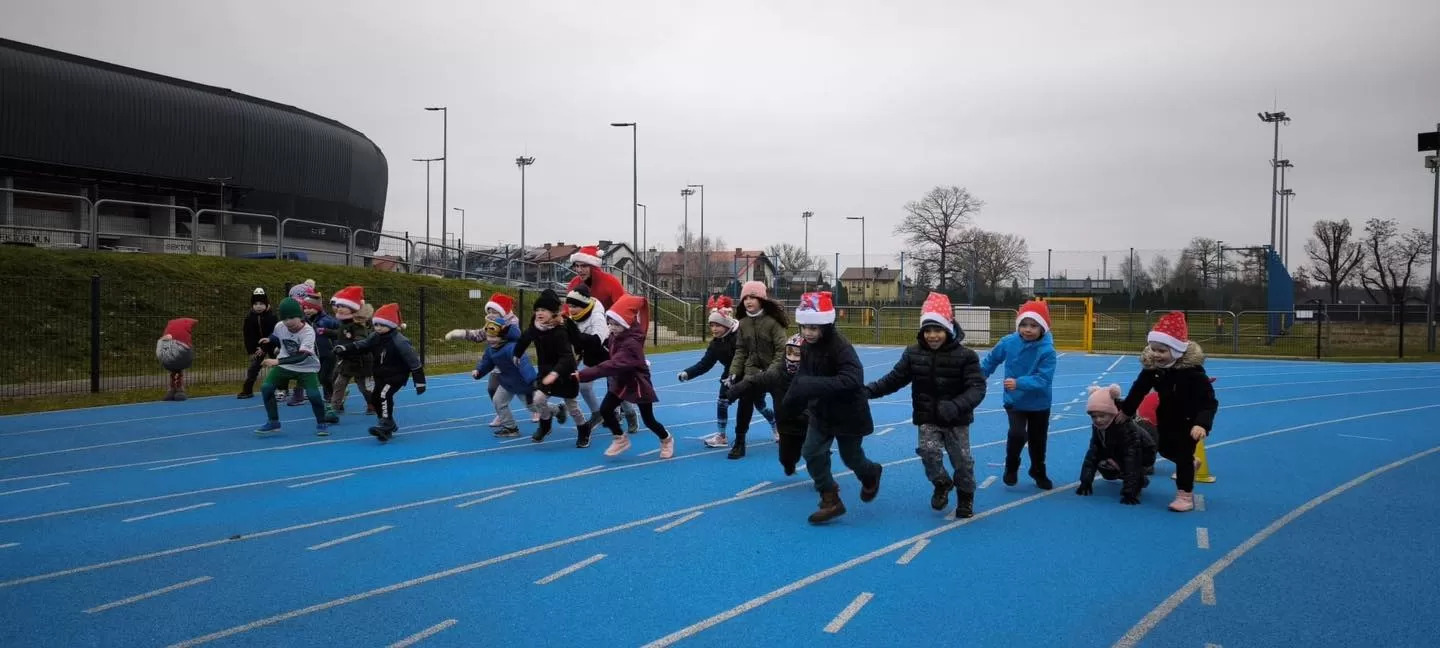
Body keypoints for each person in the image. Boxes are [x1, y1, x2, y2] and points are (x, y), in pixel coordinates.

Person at [864, 293, 987, 518]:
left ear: (948, 330)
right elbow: (895, 379)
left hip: (956, 419)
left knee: (962, 461)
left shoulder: (966, 356)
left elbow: (977, 388)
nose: (932, 336)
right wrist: (869, 391)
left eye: (938, 330)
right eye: (928, 331)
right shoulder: (913, 354)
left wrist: (957, 405)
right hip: (927, 417)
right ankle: (941, 483)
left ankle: (966, 496)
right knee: (928, 453)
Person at [783, 291, 882, 524]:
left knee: (852, 458)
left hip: (849, 413)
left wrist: (812, 385)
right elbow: (802, 379)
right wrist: (789, 404)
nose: (808, 333)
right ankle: (830, 497)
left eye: (814, 328)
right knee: (811, 452)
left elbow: (853, 379)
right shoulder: (806, 346)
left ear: (826, 326)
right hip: (821, 412)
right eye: (805, 327)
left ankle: (871, 473)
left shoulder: (841, 347)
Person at [1119, 311, 1219, 512]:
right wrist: (1126, 411)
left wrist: (1202, 424)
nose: (1156, 355)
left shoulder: (1193, 374)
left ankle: (1185, 495)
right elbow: (1139, 389)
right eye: (1153, 349)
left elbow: (1209, 402)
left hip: (1189, 421)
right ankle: (1192, 462)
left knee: (1182, 456)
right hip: (1166, 418)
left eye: (1162, 351)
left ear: (1177, 350)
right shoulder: (1154, 369)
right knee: (1163, 449)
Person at [577, 295, 676, 458]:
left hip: (638, 383)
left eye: (616, 324)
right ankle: (620, 438)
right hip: (621, 381)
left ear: (627, 323)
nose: (612, 327)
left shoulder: (631, 344)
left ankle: (666, 439)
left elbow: (612, 364)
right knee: (606, 410)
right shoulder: (616, 336)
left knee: (649, 420)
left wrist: (583, 374)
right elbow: (606, 353)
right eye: (609, 323)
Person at [980, 300, 1057, 489]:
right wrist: (978, 376)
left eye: (1033, 325)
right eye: (1023, 324)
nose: (1027, 329)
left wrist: (1019, 382)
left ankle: (1038, 470)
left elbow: (1043, 379)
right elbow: (991, 360)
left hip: (1039, 403)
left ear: (1043, 328)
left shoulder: (1048, 351)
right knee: (1017, 433)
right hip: (1015, 401)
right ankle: (1011, 466)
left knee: (1038, 440)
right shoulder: (1009, 342)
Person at [334, 303, 427, 443]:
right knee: (375, 397)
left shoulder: (400, 342)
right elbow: (363, 345)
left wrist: (420, 383)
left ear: (391, 325)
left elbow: (414, 362)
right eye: (376, 325)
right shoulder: (375, 337)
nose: (378, 328)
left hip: (397, 375)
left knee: (384, 395)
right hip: (380, 374)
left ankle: (386, 423)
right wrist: (345, 348)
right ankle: (386, 422)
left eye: (381, 325)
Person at [726, 333, 810, 476]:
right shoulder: (776, 374)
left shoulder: (817, 375)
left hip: (811, 424)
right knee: (786, 458)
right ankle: (790, 465)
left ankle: (826, 487)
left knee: (815, 455)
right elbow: (754, 381)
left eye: (798, 354)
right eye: (790, 353)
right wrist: (734, 391)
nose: (793, 358)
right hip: (786, 425)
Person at [513, 289, 590, 443]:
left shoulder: (560, 330)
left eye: (544, 310)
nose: (539, 313)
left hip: (564, 374)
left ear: (554, 312)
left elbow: (567, 356)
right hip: (545, 371)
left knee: (573, 408)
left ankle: (583, 429)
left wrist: (556, 373)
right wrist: (517, 353)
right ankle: (545, 425)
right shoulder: (536, 326)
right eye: (537, 310)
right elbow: (525, 338)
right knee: (538, 399)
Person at [724, 281, 786, 459]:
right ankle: (740, 442)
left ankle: (788, 439)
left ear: (762, 299)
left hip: (774, 372)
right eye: (745, 298)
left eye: (753, 297)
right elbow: (741, 350)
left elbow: (782, 351)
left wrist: (771, 372)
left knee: (782, 406)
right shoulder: (743, 323)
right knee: (744, 404)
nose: (748, 301)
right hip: (752, 372)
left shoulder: (774, 323)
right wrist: (733, 373)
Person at [255, 298, 332, 436]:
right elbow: (276, 335)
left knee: (314, 395)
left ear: (300, 316)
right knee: (266, 388)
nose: (288, 322)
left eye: (291, 318)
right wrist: (270, 339)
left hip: (306, 367)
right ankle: (273, 421)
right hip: (286, 365)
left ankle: (322, 423)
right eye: (285, 319)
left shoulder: (308, 332)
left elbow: (302, 356)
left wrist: (277, 362)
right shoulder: (280, 326)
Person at [1076, 384, 1158, 505]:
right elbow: (1092, 454)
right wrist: (1085, 481)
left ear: (1112, 413)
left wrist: (1130, 492)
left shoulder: (1127, 429)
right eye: (1094, 417)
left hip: (1144, 453)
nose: (1098, 420)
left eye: (1102, 416)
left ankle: (1140, 480)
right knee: (1105, 467)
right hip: (1118, 449)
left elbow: (1132, 460)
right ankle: (1120, 471)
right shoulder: (1098, 427)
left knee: (1128, 464)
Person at [472, 314, 539, 438]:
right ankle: (510, 427)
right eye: (488, 336)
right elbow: (487, 362)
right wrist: (478, 371)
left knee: (533, 407)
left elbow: (524, 364)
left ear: (502, 336)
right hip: (507, 382)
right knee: (498, 401)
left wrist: (532, 380)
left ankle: (556, 410)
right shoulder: (491, 349)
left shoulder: (512, 348)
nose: (490, 339)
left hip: (522, 383)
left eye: (494, 337)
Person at [239, 287, 278, 399]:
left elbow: (274, 333)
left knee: (277, 367)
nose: (258, 306)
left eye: (261, 303)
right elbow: (248, 336)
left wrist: (264, 348)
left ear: (266, 304)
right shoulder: (249, 318)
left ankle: (281, 389)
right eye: (255, 304)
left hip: (272, 344)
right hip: (257, 347)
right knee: (253, 368)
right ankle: (247, 390)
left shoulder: (272, 317)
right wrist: (252, 350)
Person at [156, 317, 198, 401]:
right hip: (176, 355)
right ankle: (176, 389)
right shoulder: (180, 344)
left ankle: (177, 389)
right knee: (176, 372)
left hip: (175, 356)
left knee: (176, 372)